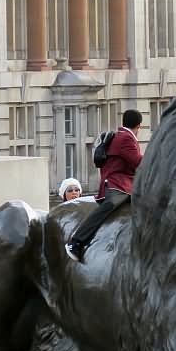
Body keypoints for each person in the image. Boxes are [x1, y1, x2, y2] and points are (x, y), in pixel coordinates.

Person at [66, 110, 143, 262]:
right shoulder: (126, 138)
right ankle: (76, 242)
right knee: (108, 206)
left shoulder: (123, 135)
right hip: (117, 184)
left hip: (127, 184)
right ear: (139, 125)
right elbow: (138, 162)